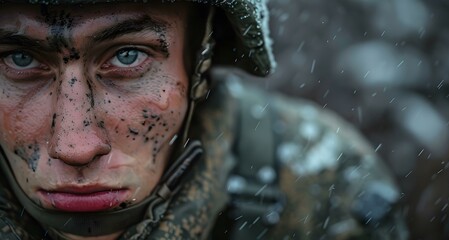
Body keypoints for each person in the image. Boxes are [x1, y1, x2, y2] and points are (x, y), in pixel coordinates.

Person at [0, 0, 408, 239]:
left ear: (200, 59)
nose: (75, 146)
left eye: (128, 56)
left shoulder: (319, 183)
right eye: (20, 59)